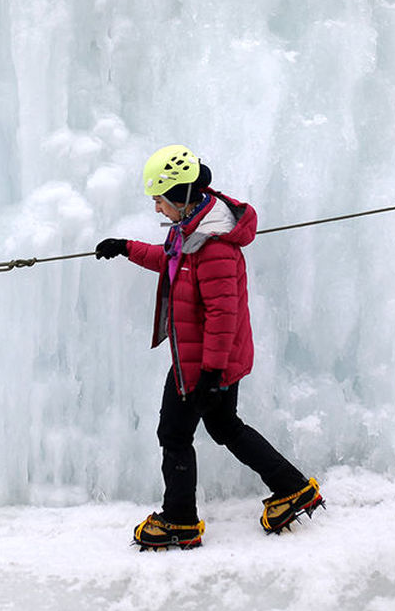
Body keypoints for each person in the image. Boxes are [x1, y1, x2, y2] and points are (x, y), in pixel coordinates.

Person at [96, 144, 323, 550]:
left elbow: (224, 316)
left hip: (203, 364)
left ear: (182, 197)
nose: (156, 210)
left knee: (174, 434)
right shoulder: (194, 229)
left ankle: (180, 520)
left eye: (160, 201)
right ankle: (293, 487)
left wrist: (212, 375)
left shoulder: (214, 244)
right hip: (203, 360)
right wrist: (126, 247)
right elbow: (171, 261)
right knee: (224, 426)